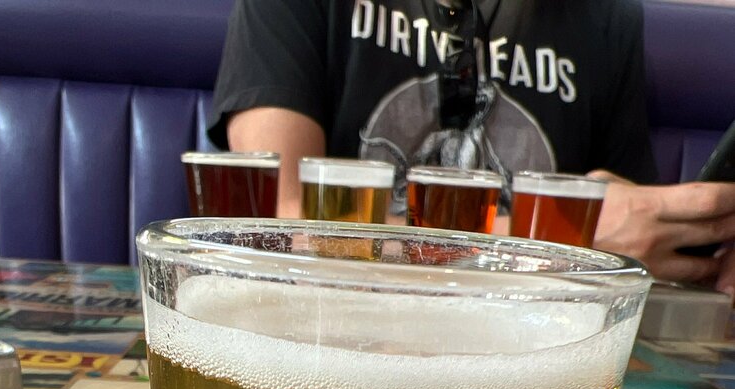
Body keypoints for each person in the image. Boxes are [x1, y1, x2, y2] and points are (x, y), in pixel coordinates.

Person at [209, 0, 735, 294]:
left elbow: (633, 233)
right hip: (332, 330)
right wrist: (560, 244)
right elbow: (280, 223)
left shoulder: (608, 19)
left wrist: (705, 250)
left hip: (527, 353)